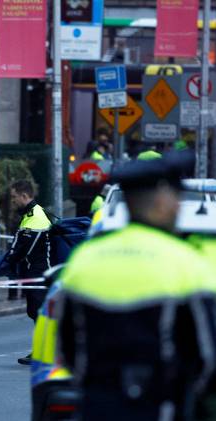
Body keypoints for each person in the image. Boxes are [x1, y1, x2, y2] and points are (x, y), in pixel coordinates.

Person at [58, 152, 216, 420]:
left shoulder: (83, 260)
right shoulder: (186, 263)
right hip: (161, 407)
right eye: (176, 198)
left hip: (95, 406)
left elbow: (67, 347)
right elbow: (206, 359)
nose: (179, 206)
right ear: (161, 199)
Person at [2, 180, 52, 365]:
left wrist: (8, 261)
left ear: (25, 196)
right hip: (33, 271)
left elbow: (25, 247)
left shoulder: (37, 216)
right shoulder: (28, 215)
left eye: (15, 197)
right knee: (34, 311)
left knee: (40, 311)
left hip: (40, 272)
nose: (13, 201)